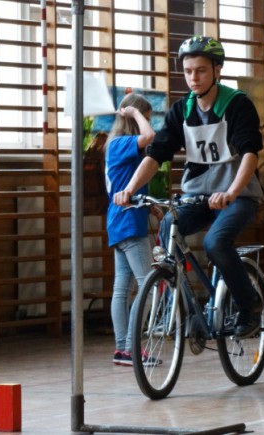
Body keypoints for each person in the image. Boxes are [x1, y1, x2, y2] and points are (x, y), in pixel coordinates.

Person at [113, 36, 264, 338]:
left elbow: (250, 153)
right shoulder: (182, 110)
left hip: (238, 196)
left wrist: (232, 192)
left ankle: (249, 306)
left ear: (217, 70)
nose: (193, 78)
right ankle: (189, 308)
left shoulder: (237, 104)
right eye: (188, 71)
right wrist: (129, 188)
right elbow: (156, 155)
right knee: (168, 227)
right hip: (198, 195)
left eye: (201, 70)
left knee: (215, 243)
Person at [105, 92, 161, 366]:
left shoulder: (121, 147)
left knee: (123, 287)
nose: (145, 122)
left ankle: (123, 350)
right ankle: (131, 348)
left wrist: (149, 207)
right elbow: (150, 136)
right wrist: (135, 113)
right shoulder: (120, 144)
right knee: (148, 285)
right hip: (127, 223)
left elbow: (128, 183)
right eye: (143, 117)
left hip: (123, 220)